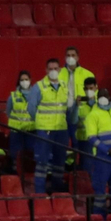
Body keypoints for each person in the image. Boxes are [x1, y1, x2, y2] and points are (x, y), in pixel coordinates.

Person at [81, 91, 111, 215]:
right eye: (100, 96)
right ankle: (97, 218)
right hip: (103, 158)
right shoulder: (93, 115)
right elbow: (91, 137)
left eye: (105, 95)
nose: (103, 98)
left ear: (110, 97)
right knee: (100, 189)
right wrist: (107, 150)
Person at [32, 58, 71, 195]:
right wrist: (39, 122)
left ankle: (57, 186)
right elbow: (31, 108)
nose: (53, 71)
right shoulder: (39, 86)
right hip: (45, 129)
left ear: (59, 70)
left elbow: (68, 107)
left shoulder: (65, 86)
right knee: (42, 161)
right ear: (46, 70)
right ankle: (40, 191)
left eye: (55, 69)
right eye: (50, 69)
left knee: (60, 160)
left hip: (61, 129)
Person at [6, 70, 39, 176]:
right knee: (16, 154)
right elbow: (8, 112)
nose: (24, 82)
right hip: (17, 131)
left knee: (31, 153)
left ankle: (30, 174)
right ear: (18, 82)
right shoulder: (13, 97)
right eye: (22, 80)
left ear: (30, 80)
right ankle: (16, 174)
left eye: (26, 79)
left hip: (32, 130)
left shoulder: (37, 96)